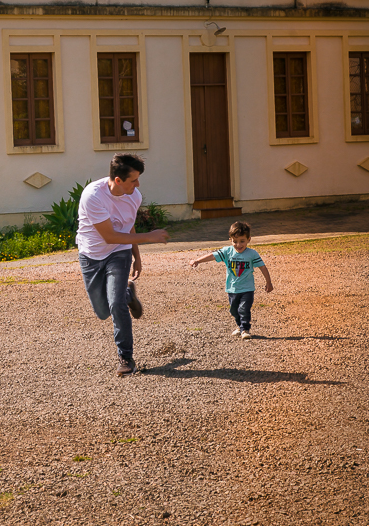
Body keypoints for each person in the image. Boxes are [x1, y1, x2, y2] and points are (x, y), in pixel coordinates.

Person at [77, 153, 170, 376]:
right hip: (91, 255)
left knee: (115, 304)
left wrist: (137, 256)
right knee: (102, 311)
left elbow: (128, 227)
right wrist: (150, 237)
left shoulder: (133, 195)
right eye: (133, 180)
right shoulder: (93, 196)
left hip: (119, 253)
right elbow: (110, 236)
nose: (138, 185)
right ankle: (128, 294)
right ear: (118, 180)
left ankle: (126, 358)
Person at [189, 220, 273, 338]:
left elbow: (262, 267)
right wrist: (197, 260)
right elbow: (213, 255)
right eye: (235, 241)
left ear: (249, 239)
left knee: (244, 309)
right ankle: (240, 326)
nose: (238, 245)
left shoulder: (252, 254)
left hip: (247, 288)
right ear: (230, 240)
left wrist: (268, 282)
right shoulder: (227, 252)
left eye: (242, 241)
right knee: (234, 310)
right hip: (232, 289)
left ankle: (245, 330)